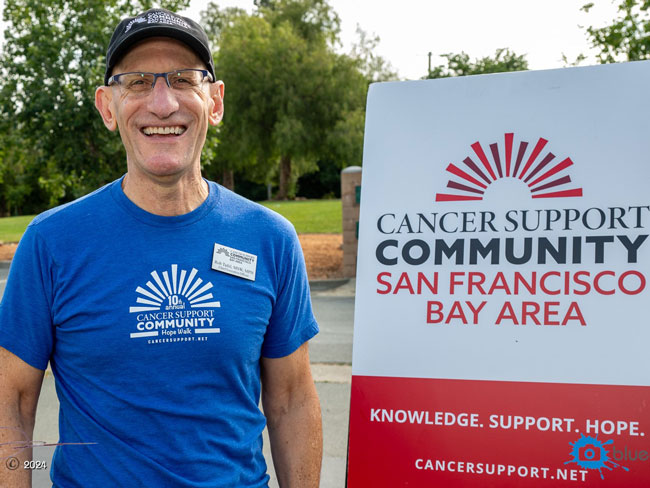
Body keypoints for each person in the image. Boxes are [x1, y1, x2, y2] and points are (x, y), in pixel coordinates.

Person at [0, 8, 322, 487]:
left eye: (183, 79)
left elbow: (292, 399)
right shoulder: (50, 244)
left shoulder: (270, 239)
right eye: (136, 82)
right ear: (107, 107)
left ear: (215, 101)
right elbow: (12, 403)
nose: (163, 102)